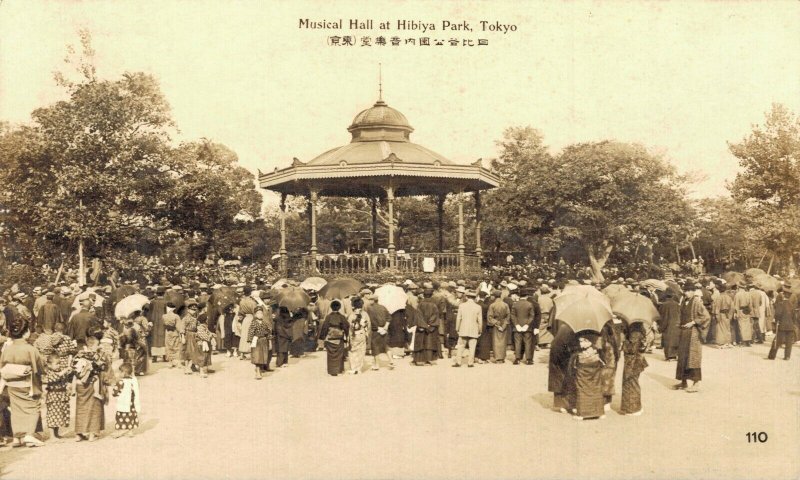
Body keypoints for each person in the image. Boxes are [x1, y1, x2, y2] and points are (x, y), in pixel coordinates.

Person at [0, 316, 45, 447]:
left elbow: (2, 365)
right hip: (27, 382)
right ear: (26, 332)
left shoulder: (7, 349)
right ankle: (29, 434)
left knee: (16, 408)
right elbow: (39, 368)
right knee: (33, 407)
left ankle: (17, 436)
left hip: (11, 383)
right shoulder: (30, 349)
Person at [675, 283, 710, 393]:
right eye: (685, 291)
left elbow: (706, 316)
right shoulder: (683, 301)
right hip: (684, 332)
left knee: (693, 358)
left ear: (693, 291)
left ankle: (696, 383)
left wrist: (694, 322)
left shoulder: (696, 302)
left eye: (688, 291)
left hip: (693, 333)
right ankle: (683, 381)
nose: (686, 293)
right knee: (682, 358)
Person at [73, 335, 109, 442]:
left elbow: (73, 368)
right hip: (92, 383)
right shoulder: (96, 355)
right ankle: (92, 433)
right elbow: (102, 367)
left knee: (81, 409)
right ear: (93, 345)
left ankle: (79, 433)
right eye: (97, 344)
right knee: (94, 407)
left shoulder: (79, 354)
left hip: (79, 384)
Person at [569, 334, 605, 420]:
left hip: (583, 370)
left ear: (589, 342)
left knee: (582, 388)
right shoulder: (596, 352)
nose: (580, 343)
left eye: (583, 341)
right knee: (596, 388)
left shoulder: (579, 354)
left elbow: (573, 367)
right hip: (594, 370)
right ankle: (598, 412)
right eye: (580, 341)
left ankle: (582, 413)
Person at [620, 323, 649, 416]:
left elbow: (631, 349)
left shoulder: (635, 332)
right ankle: (630, 407)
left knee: (631, 383)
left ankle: (634, 408)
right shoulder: (637, 329)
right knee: (630, 382)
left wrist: (624, 341)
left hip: (633, 361)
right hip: (633, 360)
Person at [43, 353, 72, 440]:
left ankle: (56, 433)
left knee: (60, 415)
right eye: (56, 364)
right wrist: (66, 370)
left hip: (61, 395)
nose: (58, 365)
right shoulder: (49, 373)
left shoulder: (59, 371)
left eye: (59, 363)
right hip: (54, 396)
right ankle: (52, 436)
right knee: (53, 415)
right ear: (49, 365)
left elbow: (64, 379)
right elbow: (56, 377)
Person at [452, 290, 482, 368]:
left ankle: (458, 362)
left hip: (463, 328)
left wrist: (457, 328)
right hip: (473, 329)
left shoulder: (462, 306)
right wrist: (480, 330)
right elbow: (480, 321)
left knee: (461, 346)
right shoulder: (478, 307)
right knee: (472, 347)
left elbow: (458, 318)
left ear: (467, 297)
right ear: (475, 297)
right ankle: (470, 363)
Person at [318, 300, 349, 376]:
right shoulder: (342, 316)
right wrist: (347, 335)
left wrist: (322, 337)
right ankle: (339, 369)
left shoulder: (328, 317)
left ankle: (332, 370)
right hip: (339, 337)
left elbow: (325, 327)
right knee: (339, 354)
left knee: (331, 354)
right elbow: (346, 326)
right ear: (339, 308)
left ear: (331, 308)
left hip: (330, 337)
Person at [110, 362, 140, 438]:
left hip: (123, 403)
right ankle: (130, 431)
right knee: (130, 416)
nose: (119, 374)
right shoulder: (133, 381)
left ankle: (121, 431)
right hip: (131, 404)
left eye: (120, 372)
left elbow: (114, 393)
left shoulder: (120, 382)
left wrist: (116, 392)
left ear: (124, 373)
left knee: (121, 417)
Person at [510, 289, 540, 365]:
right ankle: (529, 359)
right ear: (527, 296)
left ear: (519, 296)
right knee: (528, 343)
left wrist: (516, 324)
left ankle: (517, 359)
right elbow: (531, 316)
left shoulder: (515, 304)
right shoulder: (530, 304)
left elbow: (513, 316)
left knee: (518, 343)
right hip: (528, 327)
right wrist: (527, 325)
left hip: (517, 327)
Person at [365, 295, 393, 371]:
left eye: (370, 299)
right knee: (386, 345)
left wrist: (377, 328)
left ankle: (377, 365)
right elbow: (389, 317)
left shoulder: (369, 308)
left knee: (375, 347)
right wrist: (386, 326)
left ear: (373, 300)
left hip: (376, 330)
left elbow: (371, 320)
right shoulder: (383, 307)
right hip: (384, 329)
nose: (369, 301)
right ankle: (391, 361)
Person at [414, 289, 440, 366]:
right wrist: (429, 325)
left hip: (421, 326)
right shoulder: (434, 305)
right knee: (430, 342)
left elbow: (418, 316)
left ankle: (420, 360)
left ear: (424, 295)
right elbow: (435, 316)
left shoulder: (420, 304)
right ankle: (429, 359)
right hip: (431, 327)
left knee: (421, 342)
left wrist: (423, 325)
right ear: (431, 295)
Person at [768, 288, 795, 360]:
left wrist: (777, 321)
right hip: (790, 326)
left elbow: (777, 314)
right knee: (789, 342)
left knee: (777, 340)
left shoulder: (781, 304)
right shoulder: (791, 305)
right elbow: (793, 316)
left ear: (784, 295)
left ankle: (772, 356)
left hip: (782, 325)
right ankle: (787, 356)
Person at [347, 297, 370, 374]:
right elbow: (368, 325)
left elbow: (349, 327)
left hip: (354, 335)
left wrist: (349, 336)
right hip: (362, 334)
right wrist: (367, 335)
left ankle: (353, 368)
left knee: (353, 351)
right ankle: (359, 368)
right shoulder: (365, 314)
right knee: (361, 351)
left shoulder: (351, 315)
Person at [248, 305, 271, 379]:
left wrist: (269, 342)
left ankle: (260, 369)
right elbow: (250, 333)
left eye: (261, 313)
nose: (260, 315)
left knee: (263, 356)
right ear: (255, 314)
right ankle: (258, 372)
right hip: (256, 341)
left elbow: (268, 333)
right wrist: (250, 342)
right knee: (257, 356)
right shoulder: (253, 323)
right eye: (258, 313)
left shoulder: (264, 323)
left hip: (264, 341)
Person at [487, 291, 510, 363]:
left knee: (496, 341)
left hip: (496, 325)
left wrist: (496, 323)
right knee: (503, 341)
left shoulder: (492, 305)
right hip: (504, 324)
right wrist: (503, 325)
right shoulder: (506, 305)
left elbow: (489, 317)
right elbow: (508, 316)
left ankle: (497, 358)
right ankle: (502, 357)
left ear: (494, 296)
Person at [193, 304, 216, 378]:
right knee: (201, 357)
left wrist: (212, 334)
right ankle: (201, 371)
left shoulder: (204, 326)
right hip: (201, 343)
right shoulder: (200, 327)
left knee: (206, 356)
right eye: (206, 319)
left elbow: (208, 332)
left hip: (205, 343)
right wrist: (210, 336)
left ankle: (205, 369)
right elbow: (202, 335)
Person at [658, 291, 681, 360]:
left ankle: (669, 356)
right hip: (677, 324)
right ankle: (674, 355)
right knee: (675, 340)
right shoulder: (677, 304)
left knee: (667, 340)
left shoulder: (664, 305)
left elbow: (662, 317)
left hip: (668, 324)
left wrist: (661, 327)